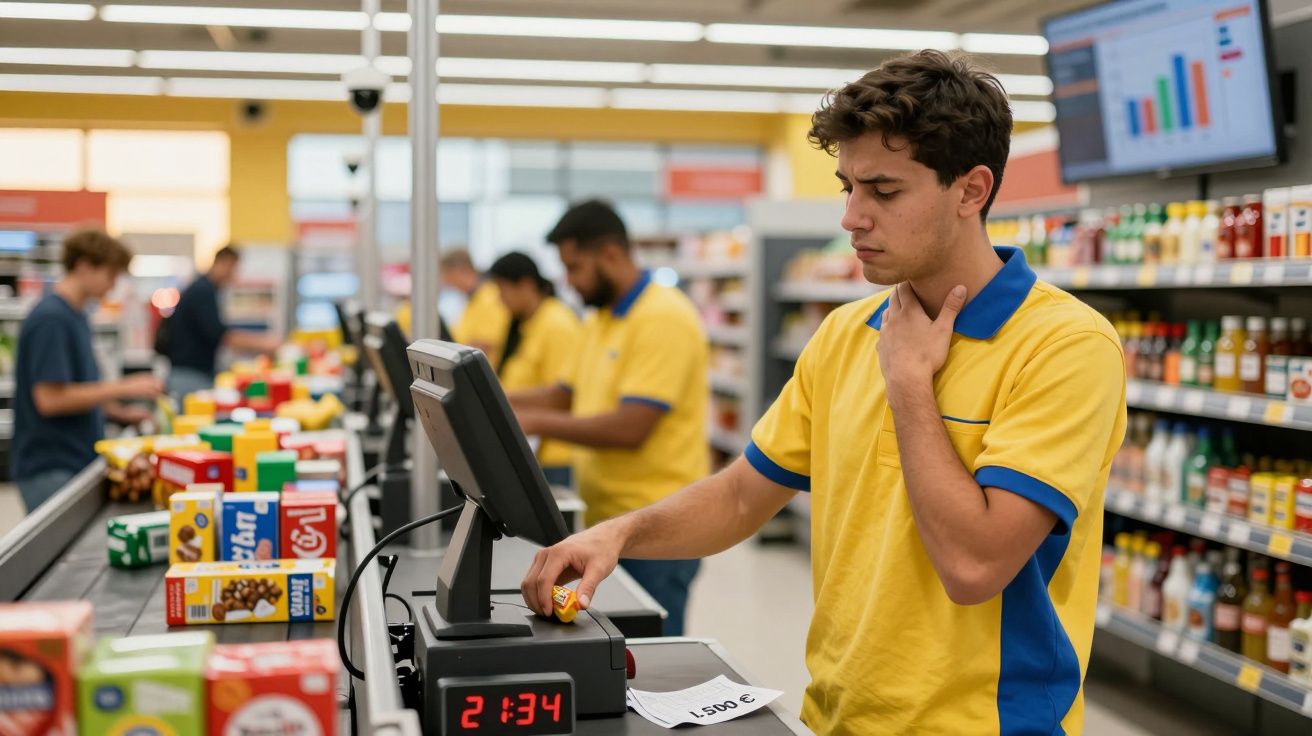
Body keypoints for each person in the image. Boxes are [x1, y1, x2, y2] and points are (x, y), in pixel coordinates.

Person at [521, 51, 1127, 734]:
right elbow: (743, 495)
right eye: (847, 187)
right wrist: (620, 535)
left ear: (971, 190)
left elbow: (974, 563)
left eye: (884, 191)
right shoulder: (845, 333)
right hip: (837, 716)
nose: (851, 217)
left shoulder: (1065, 347)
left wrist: (907, 384)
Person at [510, 200, 709, 636]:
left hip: (659, 526)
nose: (568, 280)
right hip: (610, 520)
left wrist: (533, 423)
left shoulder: (663, 317)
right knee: (617, 647)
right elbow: (564, 395)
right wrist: (494, 397)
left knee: (651, 658)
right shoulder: (600, 319)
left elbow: (631, 427)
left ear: (611, 256)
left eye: (575, 267)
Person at [14, 229, 164, 511]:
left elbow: (78, 389)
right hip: (50, 466)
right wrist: (123, 387)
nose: (113, 284)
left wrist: (121, 413)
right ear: (84, 266)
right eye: (110, 274)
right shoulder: (52, 320)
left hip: (74, 460)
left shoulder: (76, 316)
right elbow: (50, 399)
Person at [487, 252, 582, 488]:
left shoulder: (556, 324)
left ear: (527, 284)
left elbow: (562, 396)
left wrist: (496, 398)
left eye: (503, 289)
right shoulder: (525, 324)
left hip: (556, 457)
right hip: (530, 451)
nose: (500, 299)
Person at [165, 245, 279, 400]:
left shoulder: (205, 288)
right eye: (232, 268)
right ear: (222, 262)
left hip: (193, 372)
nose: (233, 275)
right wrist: (264, 343)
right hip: (190, 375)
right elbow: (221, 334)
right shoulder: (203, 291)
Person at [442, 248, 511, 367]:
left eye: (447, 274)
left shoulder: (490, 297)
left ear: (460, 270)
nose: (446, 280)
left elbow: (484, 345)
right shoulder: (472, 299)